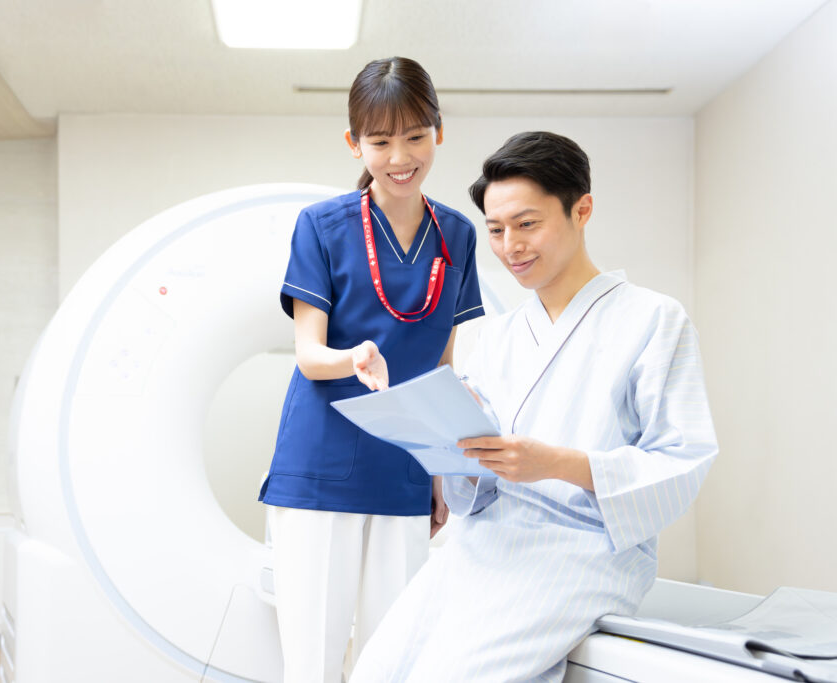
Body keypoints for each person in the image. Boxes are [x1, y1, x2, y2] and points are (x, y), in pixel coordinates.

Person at [349, 131, 719, 682]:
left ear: (581, 210)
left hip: (583, 549)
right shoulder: (499, 336)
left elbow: (682, 459)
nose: (510, 247)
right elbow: (477, 484)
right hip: (486, 541)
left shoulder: (654, 320)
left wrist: (554, 464)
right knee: (376, 670)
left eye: (526, 225)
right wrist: (454, 444)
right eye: (496, 230)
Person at [257, 56, 485, 683]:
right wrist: (352, 357)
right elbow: (310, 355)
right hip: (321, 464)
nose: (400, 157)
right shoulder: (322, 227)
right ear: (354, 142)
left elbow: (441, 361)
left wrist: (438, 467)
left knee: (394, 663)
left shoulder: (458, 235)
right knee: (312, 664)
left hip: (403, 466)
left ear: (438, 132)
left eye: (415, 136)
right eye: (381, 141)